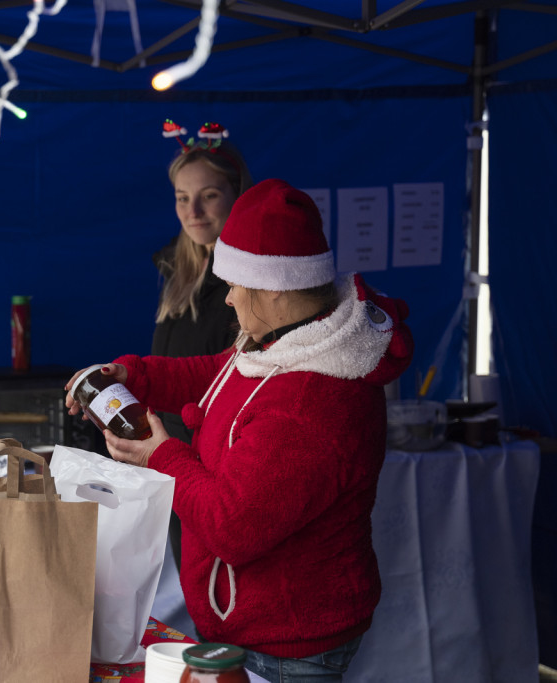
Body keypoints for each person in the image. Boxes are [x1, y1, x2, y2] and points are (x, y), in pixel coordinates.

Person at [67, 178, 414, 682]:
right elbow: (220, 371)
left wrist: (161, 457)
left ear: (274, 286)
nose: (227, 299)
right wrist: (135, 376)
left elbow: (234, 525)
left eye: (234, 285)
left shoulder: (314, 399)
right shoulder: (282, 340)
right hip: (245, 627)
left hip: (288, 645)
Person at [151, 121, 254, 571]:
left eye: (209, 195)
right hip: (173, 462)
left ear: (237, 194)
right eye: (181, 197)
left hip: (220, 468)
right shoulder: (180, 274)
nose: (192, 210)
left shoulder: (253, 280)